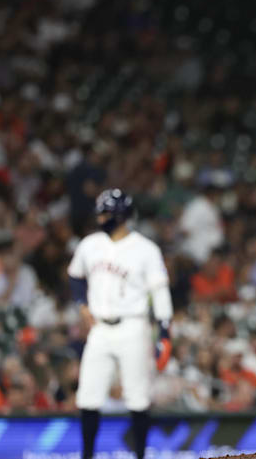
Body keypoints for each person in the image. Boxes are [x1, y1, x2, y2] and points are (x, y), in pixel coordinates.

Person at [69, 189, 174, 459]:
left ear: (122, 216)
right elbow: (75, 276)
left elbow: (160, 292)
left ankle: (140, 455)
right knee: (88, 397)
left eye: (107, 213)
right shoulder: (90, 244)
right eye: (101, 213)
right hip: (99, 328)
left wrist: (164, 330)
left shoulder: (146, 249)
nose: (101, 218)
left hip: (133, 326)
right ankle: (87, 456)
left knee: (138, 398)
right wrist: (82, 305)